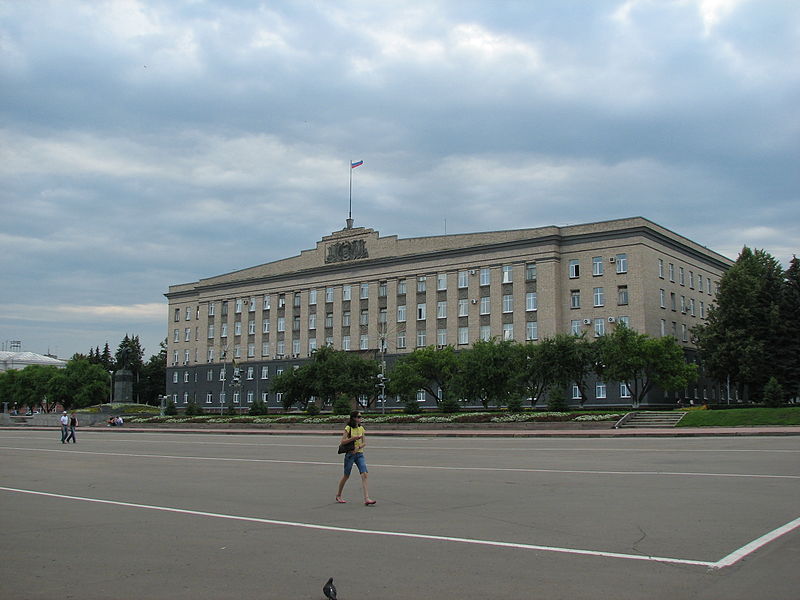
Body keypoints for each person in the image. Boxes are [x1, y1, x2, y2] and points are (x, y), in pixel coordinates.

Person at [335, 410, 376, 506]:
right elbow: (343, 442)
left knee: (364, 474)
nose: (360, 418)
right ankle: (338, 495)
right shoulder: (348, 428)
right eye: (358, 417)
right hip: (350, 455)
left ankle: (367, 498)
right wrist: (353, 438)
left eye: (360, 417)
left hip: (359, 454)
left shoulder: (361, 428)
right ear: (354, 418)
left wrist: (359, 447)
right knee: (346, 475)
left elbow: (364, 442)